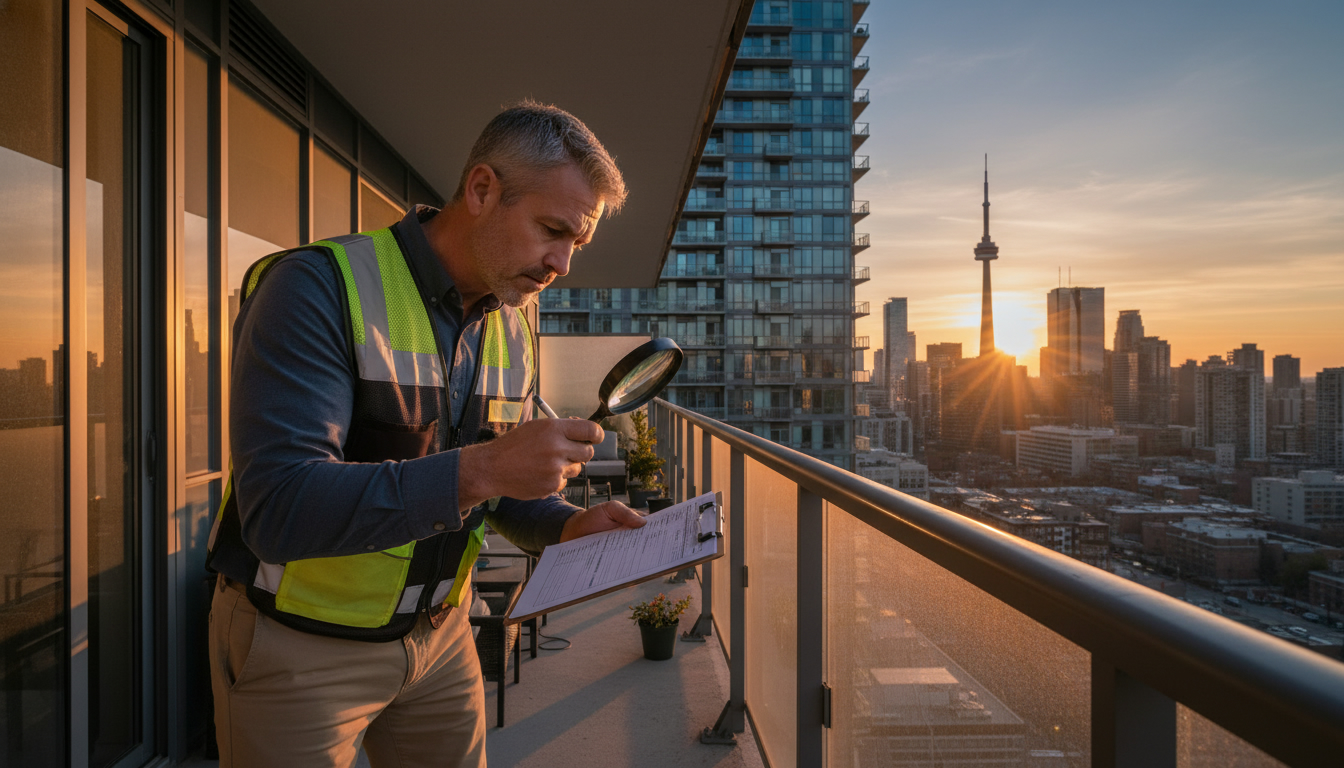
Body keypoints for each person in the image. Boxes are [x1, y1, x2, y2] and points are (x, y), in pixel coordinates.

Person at [205, 101, 647, 767]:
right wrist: (485, 471)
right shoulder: (316, 288)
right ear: (480, 189)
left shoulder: (514, 322)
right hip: (300, 648)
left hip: (442, 640)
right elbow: (278, 508)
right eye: (551, 230)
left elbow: (496, 488)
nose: (561, 263)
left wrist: (564, 526)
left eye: (576, 244)